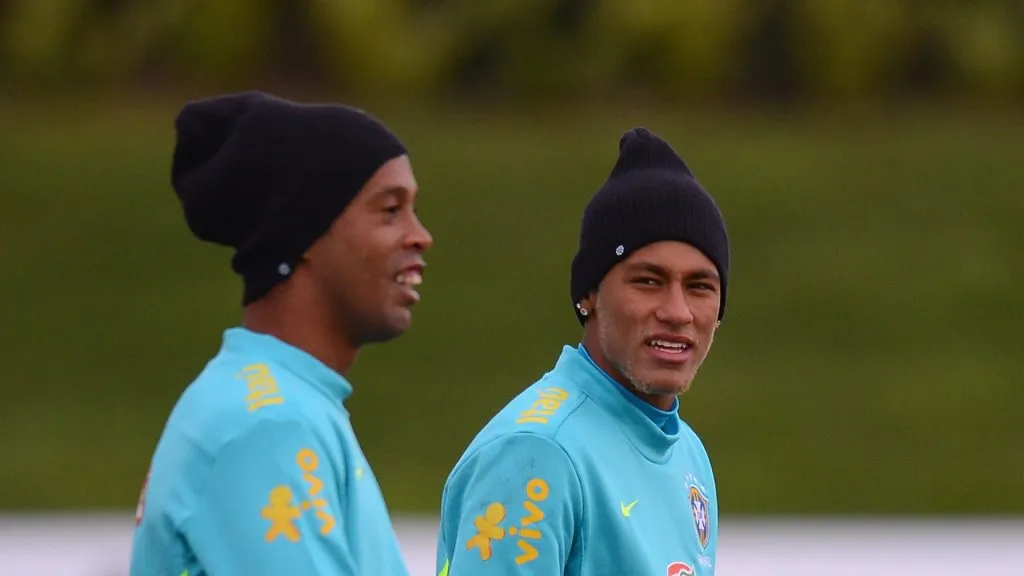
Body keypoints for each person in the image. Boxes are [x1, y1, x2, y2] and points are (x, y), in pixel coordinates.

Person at [129, 91, 433, 575]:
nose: (421, 235)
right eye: (390, 210)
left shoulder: (282, 405)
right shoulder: (268, 426)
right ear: (306, 233)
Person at [435, 127, 730, 576]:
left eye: (700, 286)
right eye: (648, 281)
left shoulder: (686, 450)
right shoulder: (537, 451)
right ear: (589, 294)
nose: (677, 311)